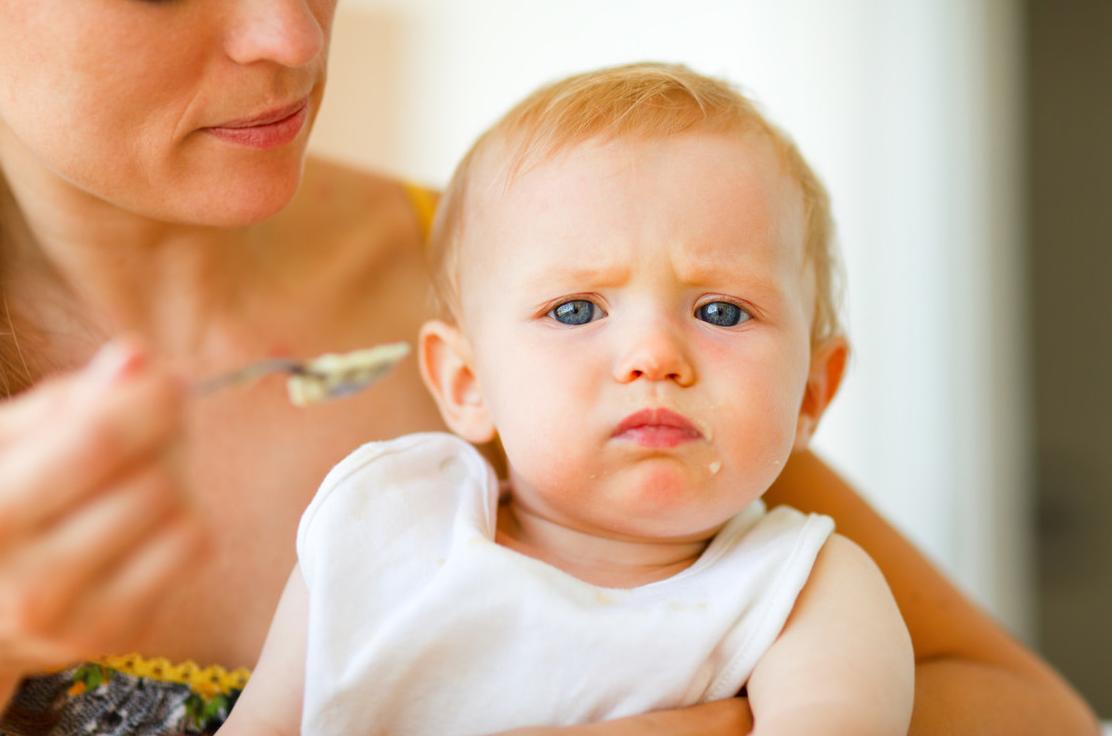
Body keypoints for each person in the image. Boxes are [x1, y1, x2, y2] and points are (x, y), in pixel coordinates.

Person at [0, 2, 1097, 735]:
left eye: (718, 310)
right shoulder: (413, 467)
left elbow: (1023, 708)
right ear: (452, 377)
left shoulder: (528, 274)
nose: (288, 33)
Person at [218, 62, 915, 736]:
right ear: (467, 384)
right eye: (577, 311)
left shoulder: (805, 593)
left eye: (723, 313)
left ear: (812, 393)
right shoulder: (384, 527)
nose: (655, 357)